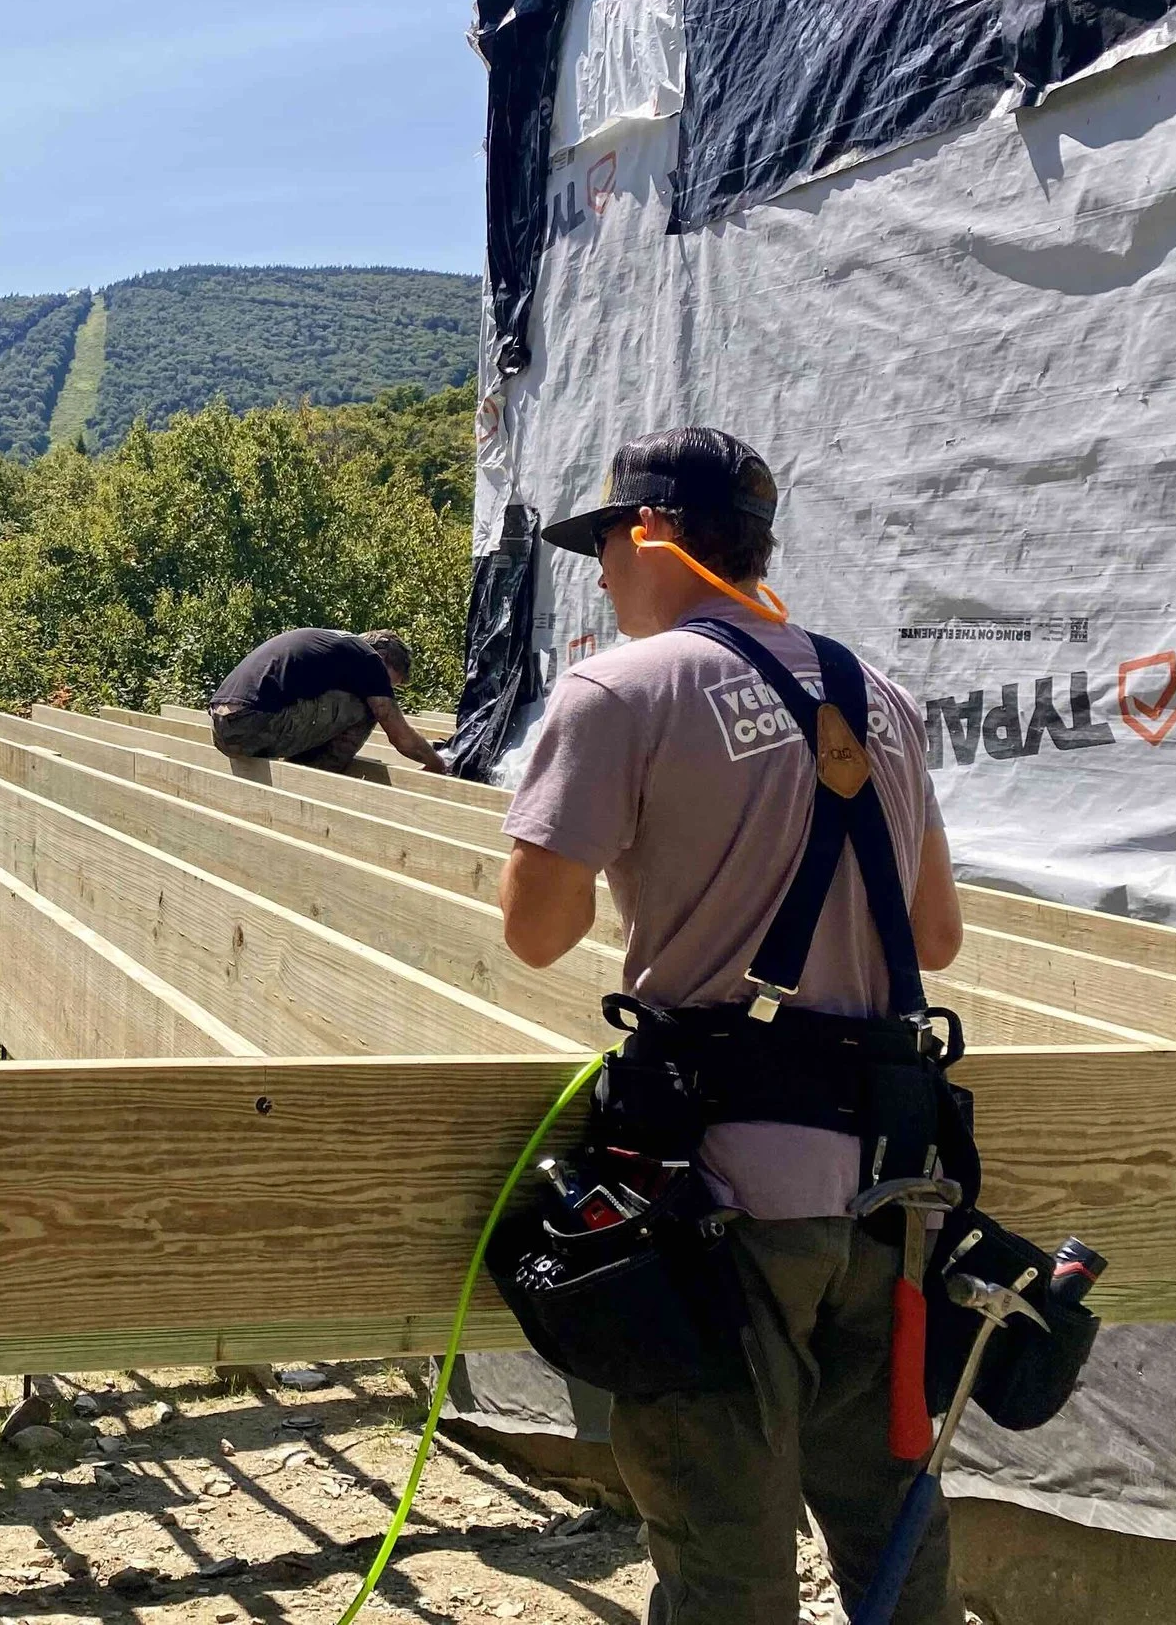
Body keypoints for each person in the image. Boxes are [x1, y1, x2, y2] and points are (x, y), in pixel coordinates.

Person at [494, 427, 967, 1625]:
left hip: (725, 1192)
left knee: (723, 1551)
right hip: (890, 1186)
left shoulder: (620, 688)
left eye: (602, 544)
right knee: (890, 1512)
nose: (596, 575)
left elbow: (535, 934)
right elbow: (938, 937)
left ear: (648, 532)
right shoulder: (881, 696)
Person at [206, 627, 446, 773]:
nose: (385, 687)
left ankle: (298, 773)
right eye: (388, 682)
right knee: (370, 707)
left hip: (222, 727)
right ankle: (312, 781)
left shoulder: (332, 646)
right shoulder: (368, 659)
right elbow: (399, 736)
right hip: (253, 724)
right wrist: (436, 763)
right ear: (382, 656)